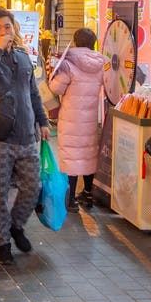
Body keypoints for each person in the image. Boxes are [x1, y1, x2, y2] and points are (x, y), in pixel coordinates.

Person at [0, 7, 50, 266]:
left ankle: (16, 226)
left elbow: (34, 93)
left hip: (27, 135)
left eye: (8, 26)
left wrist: (43, 121)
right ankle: (2, 242)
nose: (5, 31)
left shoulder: (23, 57)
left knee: (33, 186)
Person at [48, 28, 104, 212]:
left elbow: (56, 89)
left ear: (76, 41)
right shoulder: (99, 63)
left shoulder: (69, 64)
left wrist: (52, 75)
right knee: (88, 154)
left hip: (71, 118)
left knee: (72, 157)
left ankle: (71, 199)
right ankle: (88, 194)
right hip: (90, 117)